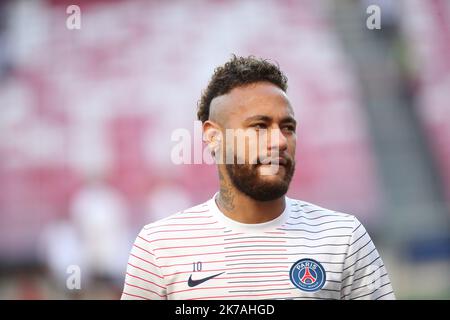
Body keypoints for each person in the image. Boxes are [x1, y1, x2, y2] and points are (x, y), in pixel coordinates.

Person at [121, 55, 395, 300]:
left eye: (287, 127)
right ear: (213, 136)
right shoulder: (159, 247)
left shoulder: (343, 238)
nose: (279, 141)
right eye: (259, 126)